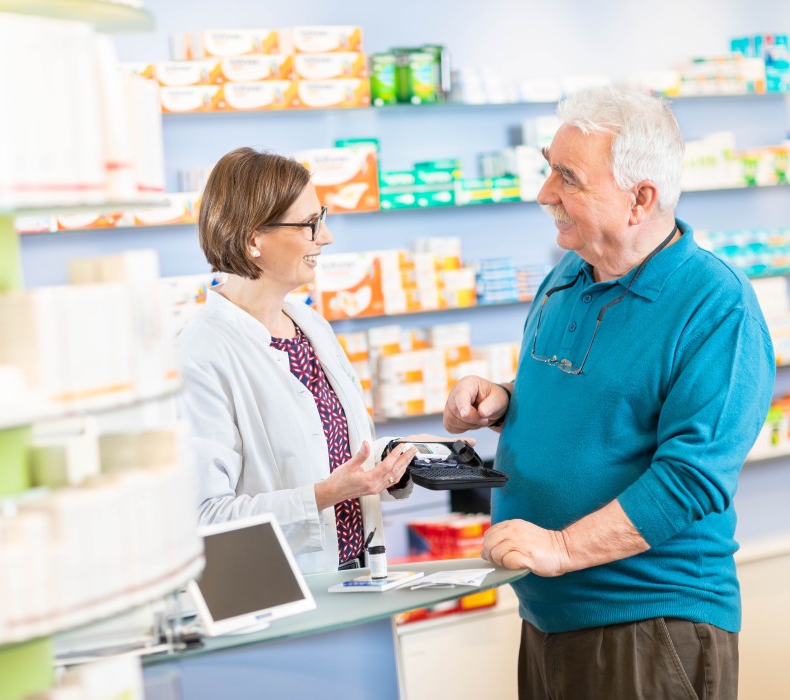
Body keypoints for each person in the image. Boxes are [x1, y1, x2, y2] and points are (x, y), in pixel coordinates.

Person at [443, 86, 774, 700]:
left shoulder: (716, 305)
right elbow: (599, 391)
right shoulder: (573, 269)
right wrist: (507, 398)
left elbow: (692, 479)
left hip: (648, 626)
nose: (544, 194)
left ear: (639, 199)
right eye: (548, 167)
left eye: (567, 177)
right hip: (549, 614)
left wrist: (562, 546)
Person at [177, 146, 418, 575]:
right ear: (253, 239)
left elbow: (328, 453)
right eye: (310, 224)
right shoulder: (200, 354)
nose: (326, 237)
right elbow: (205, 517)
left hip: (360, 577)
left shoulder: (309, 325)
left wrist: (400, 461)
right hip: (282, 599)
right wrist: (323, 495)